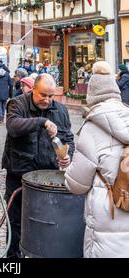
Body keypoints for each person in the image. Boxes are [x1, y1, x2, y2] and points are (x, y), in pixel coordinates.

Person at [2, 74, 74, 258]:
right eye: (43, 95)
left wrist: (67, 155)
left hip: (47, 177)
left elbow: (68, 138)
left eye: (51, 96)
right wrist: (41, 122)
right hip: (19, 173)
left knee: (45, 220)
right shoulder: (17, 104)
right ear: (33, 88)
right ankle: (13, 258)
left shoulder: (60, 110)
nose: (47, 100)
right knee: (16, 221)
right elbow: (13, 126)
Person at [65, 61, 129, 258]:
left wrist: (67, 168)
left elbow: (77, 184)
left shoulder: (92, 127)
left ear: (91, 96)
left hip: (107, 220)